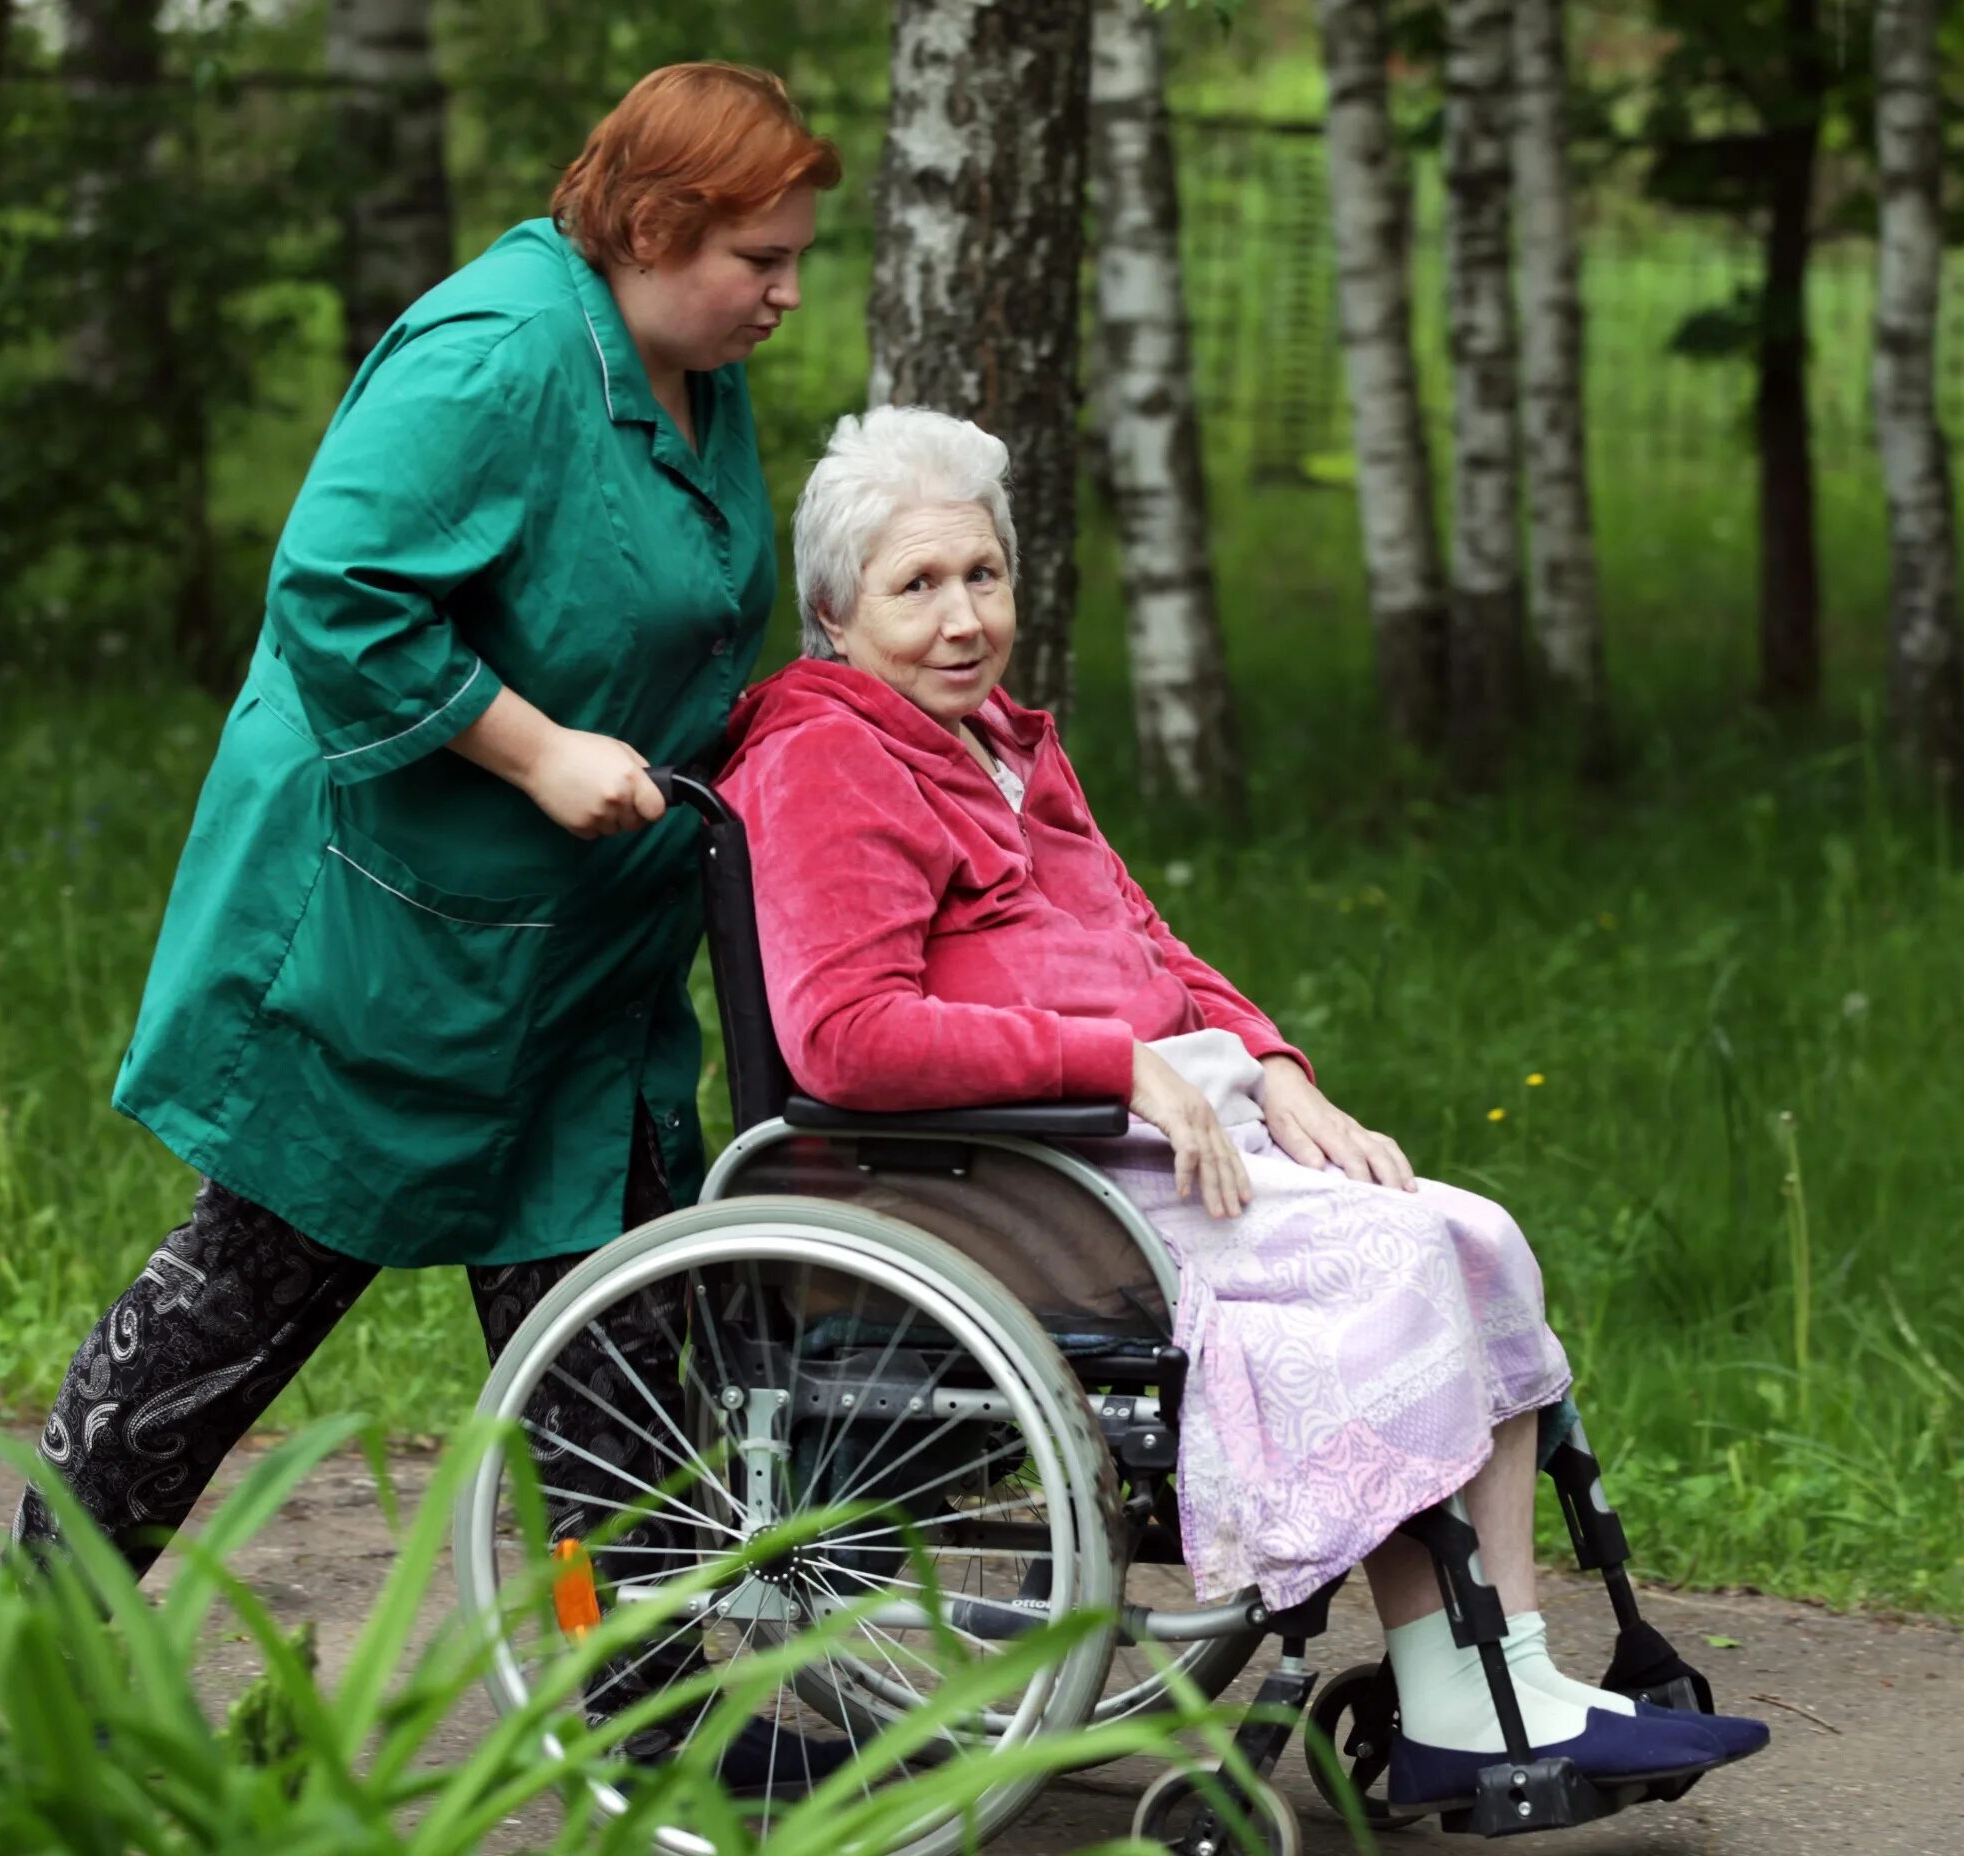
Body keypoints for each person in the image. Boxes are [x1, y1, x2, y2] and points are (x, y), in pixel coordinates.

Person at [715, 407, 1770, 1811]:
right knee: (1394, 1265)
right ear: (837, 610)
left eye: (984, 577)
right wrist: (1109, 1061)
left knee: (1467, 1234)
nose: (963, 618)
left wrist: (1268, 1060)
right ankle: (1466, 1692)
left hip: (1146, 1139)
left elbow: (1146, 940)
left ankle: (1495, 1671)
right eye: (917, 587)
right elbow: (846, 1039)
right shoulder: (828, 759)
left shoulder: (1000, 746)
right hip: (1004, 1183)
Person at [13, 64, 847, 1785]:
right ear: (648, 226)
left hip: (583, 959)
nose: (787, 289)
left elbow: (673, 606)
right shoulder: (496, 355)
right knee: (231, 1309)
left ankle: (654, 1732)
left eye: (794, 257)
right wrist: (538, 751)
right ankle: (24, 1670)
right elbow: (334, 593)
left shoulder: (690, 362)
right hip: (393, 946)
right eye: (759, 256)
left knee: (612, 1330)